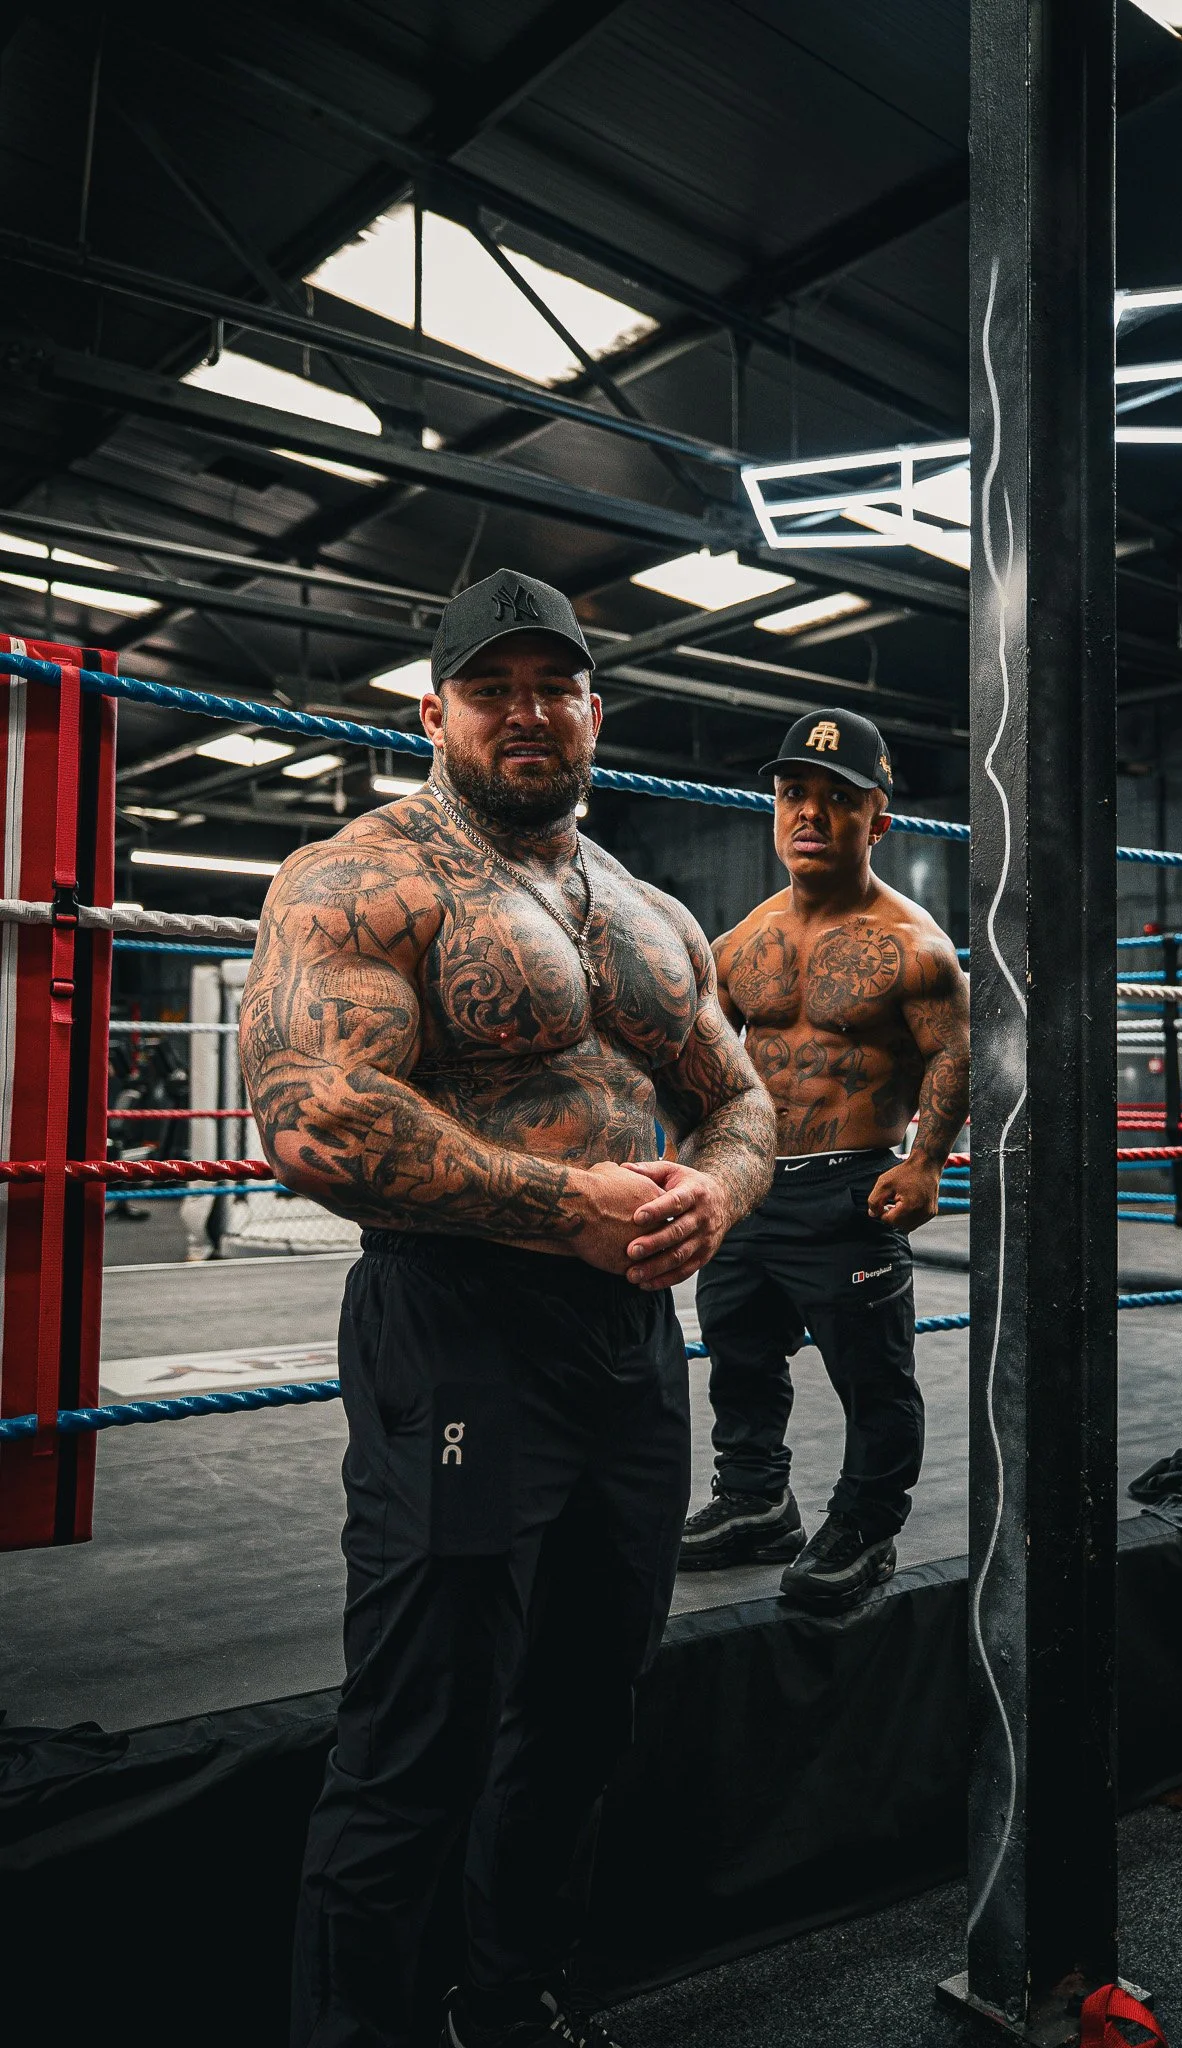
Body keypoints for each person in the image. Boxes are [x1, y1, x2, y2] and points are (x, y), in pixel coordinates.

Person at [239, 567, 775, 2048]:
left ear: (597, 710)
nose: (527, 713)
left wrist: (714, 1199)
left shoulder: (657, 914)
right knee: (425, 1725)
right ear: (434, 711)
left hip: (626, 1349)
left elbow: (739, 1101)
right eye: (494, 689)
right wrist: (567, 1208)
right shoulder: (356, 875)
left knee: (588, 1704)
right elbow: (315, 1117)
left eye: (555, 687)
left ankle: (511, 1998)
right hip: (461, 1334)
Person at [680, 708, 970, 1614]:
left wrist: (926, 1165)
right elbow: (702, 1060)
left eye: (837, 800)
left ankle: (869, 1524)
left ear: (877, 820)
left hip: (850, 1188)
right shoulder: (740, 943)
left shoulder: (916, 949)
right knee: (738, 1355)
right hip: (749, 1184)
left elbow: (956, 1056)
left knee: (873, 1374)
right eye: (793, 794)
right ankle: (757, 1499)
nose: (810, 813)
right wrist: (691, 1160)